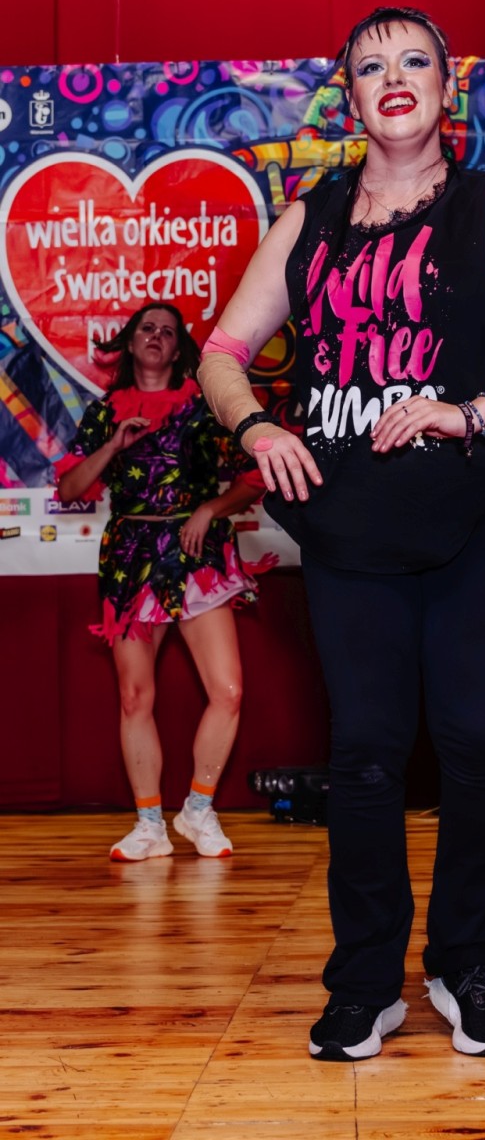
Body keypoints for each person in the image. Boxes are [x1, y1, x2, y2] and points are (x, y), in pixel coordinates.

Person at [198, 5, 485, 1062]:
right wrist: (256, 425)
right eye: (371, 64)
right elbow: (222, 350)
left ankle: (468, 968)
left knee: (477, 744)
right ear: (347, 95)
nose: (394, 76)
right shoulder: (309, 219)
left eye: (415, 60)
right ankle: (365, 981)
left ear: (443, 87)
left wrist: (471, 411)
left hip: (476, 514)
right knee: (367, 754)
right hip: (352, 523)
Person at [58, 303, 268, 862]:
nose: (156, 336)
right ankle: (149, 825)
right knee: (135, 696)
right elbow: (71, 489)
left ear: (179, 350)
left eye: (168, 332)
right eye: (146, 329)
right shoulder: (105, 413)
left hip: (196, 556)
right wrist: (113, 446)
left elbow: (256, 476)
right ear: (130, 344)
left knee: (228, 691)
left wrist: (210, 509)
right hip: (131, 560)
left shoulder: (204, 409)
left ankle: (198, 808)